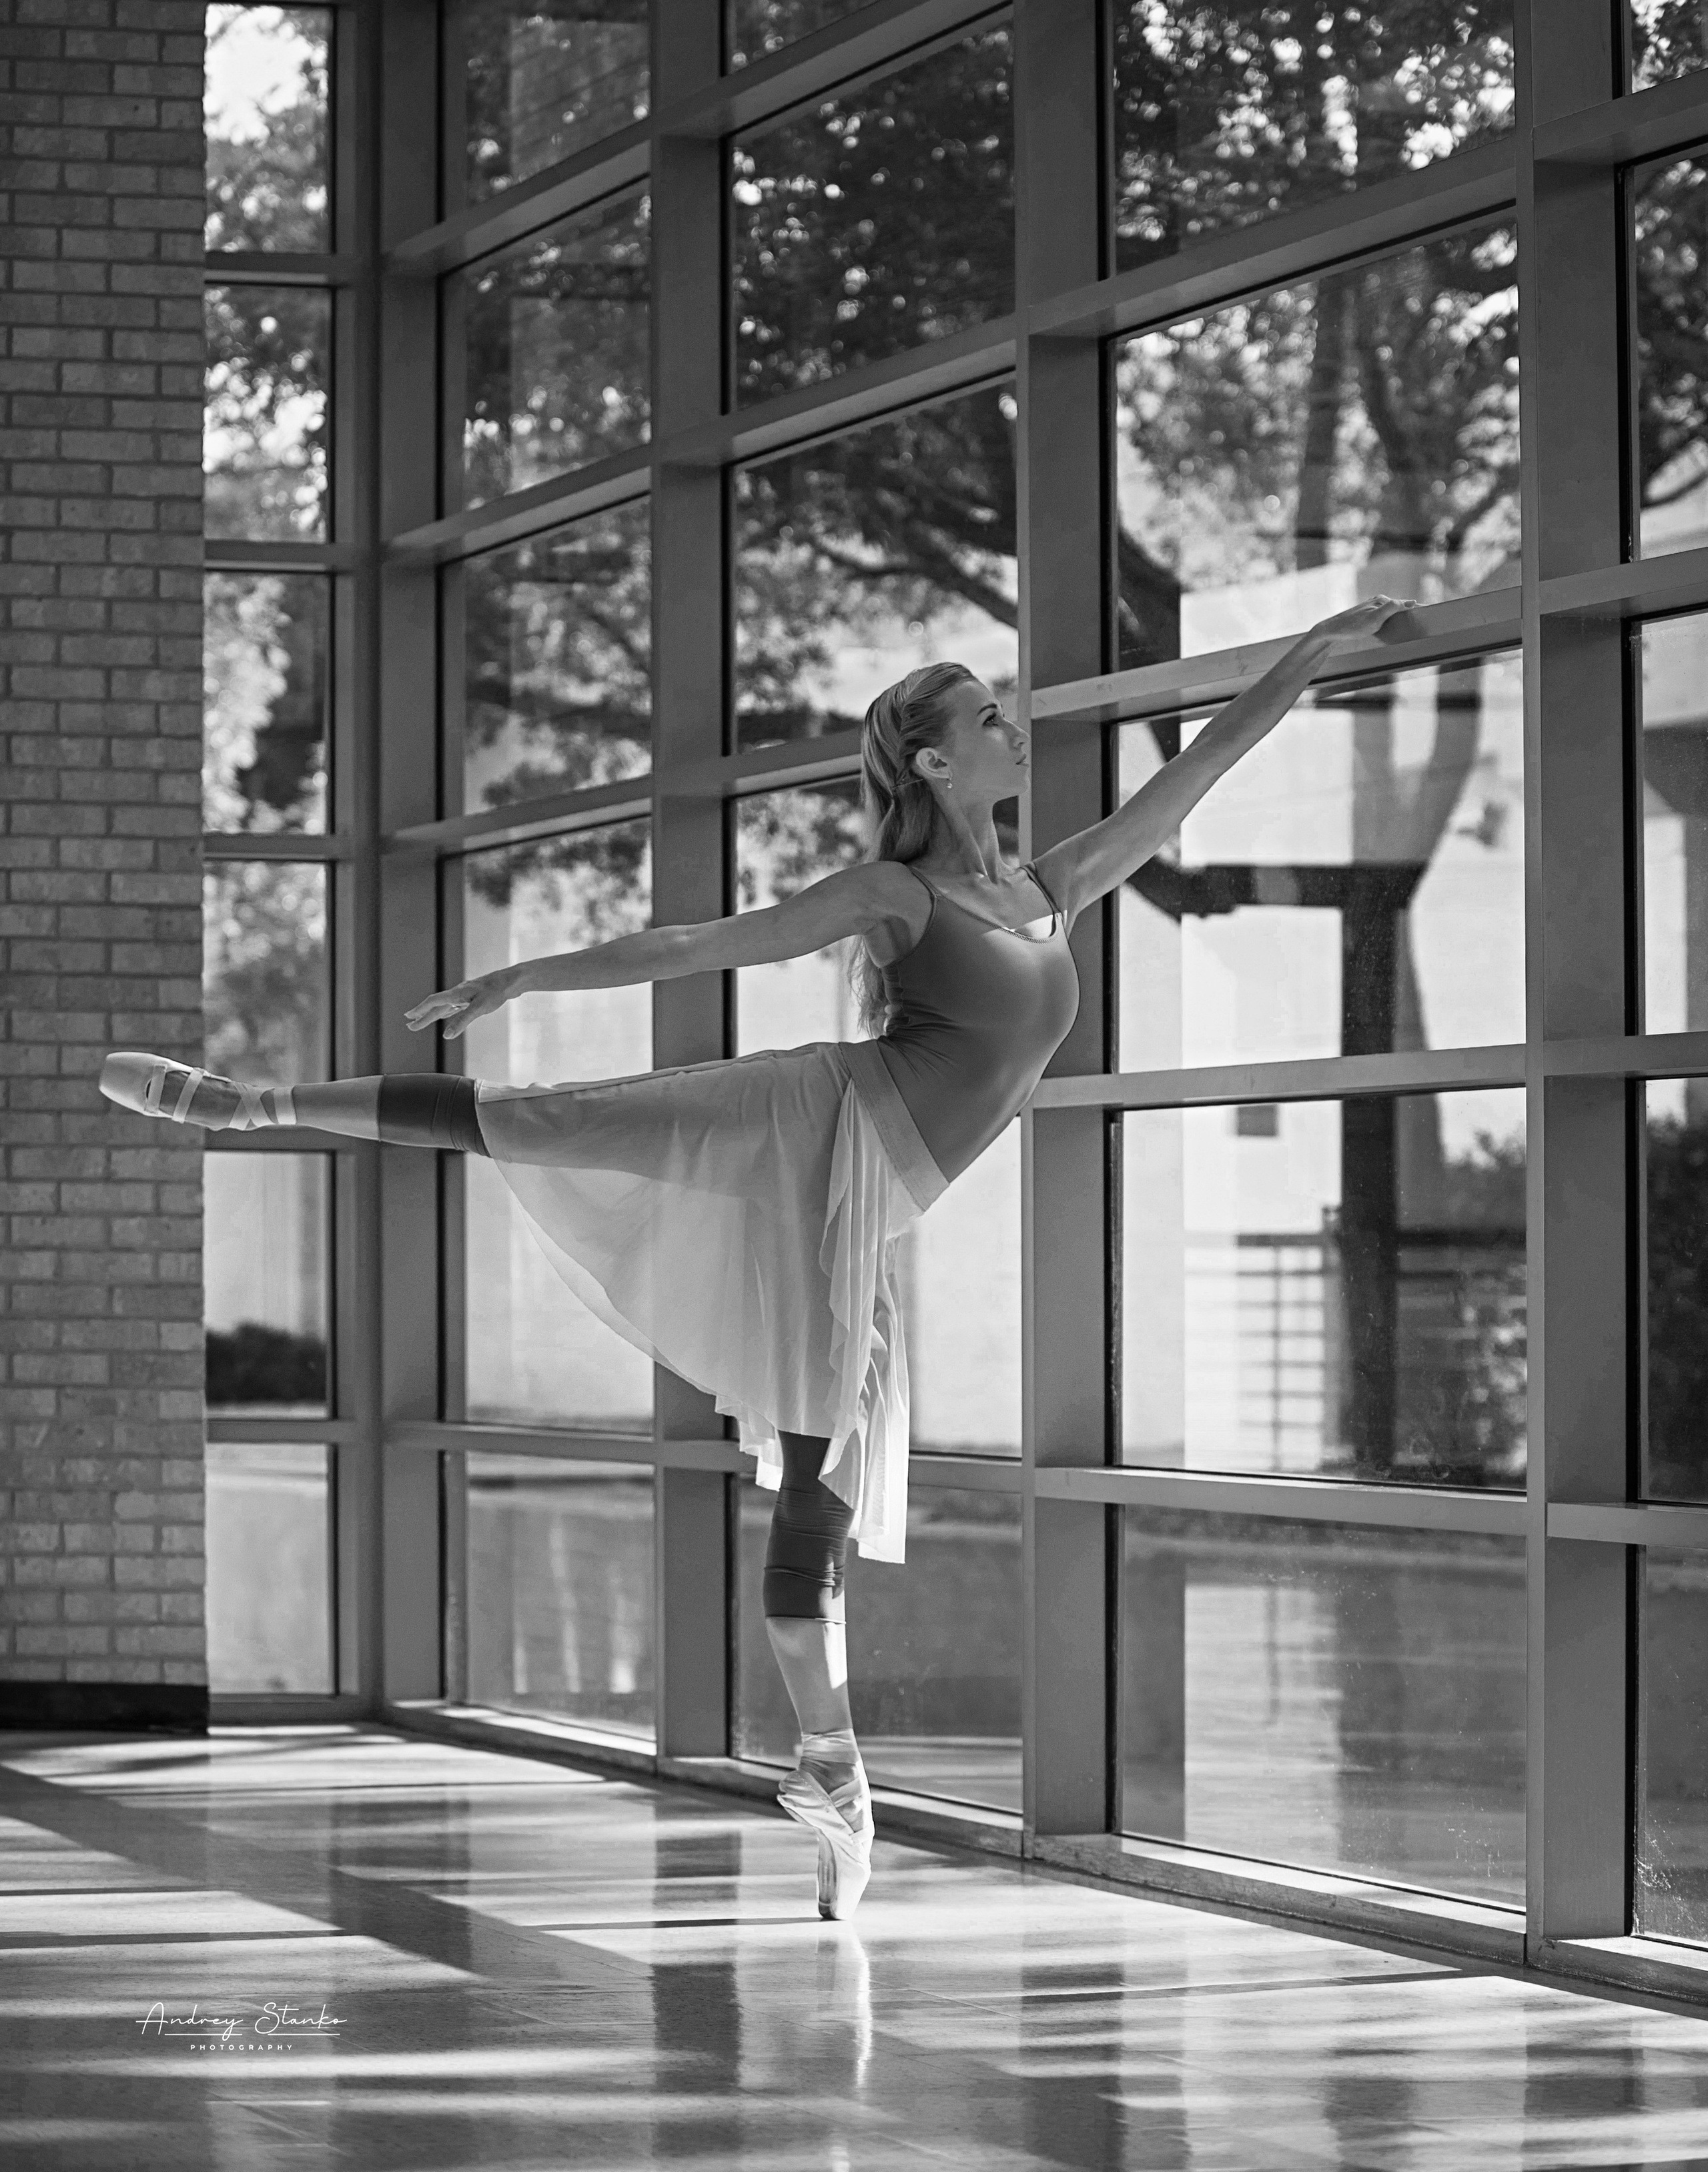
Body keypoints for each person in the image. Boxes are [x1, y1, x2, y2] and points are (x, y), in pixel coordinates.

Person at [101, 594, 1406, 1919]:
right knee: (560, 1118)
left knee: (821, 1482)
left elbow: (1193, 775)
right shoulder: (895, 895)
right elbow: (699, 944)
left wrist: (1309, 654)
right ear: (934, 761)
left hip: (858, 1204)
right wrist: (530, 976)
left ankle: (832, 1777)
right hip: (810, 1120)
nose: (1012, 726)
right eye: (986, 716)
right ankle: (245, 1105)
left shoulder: (1046, 889)